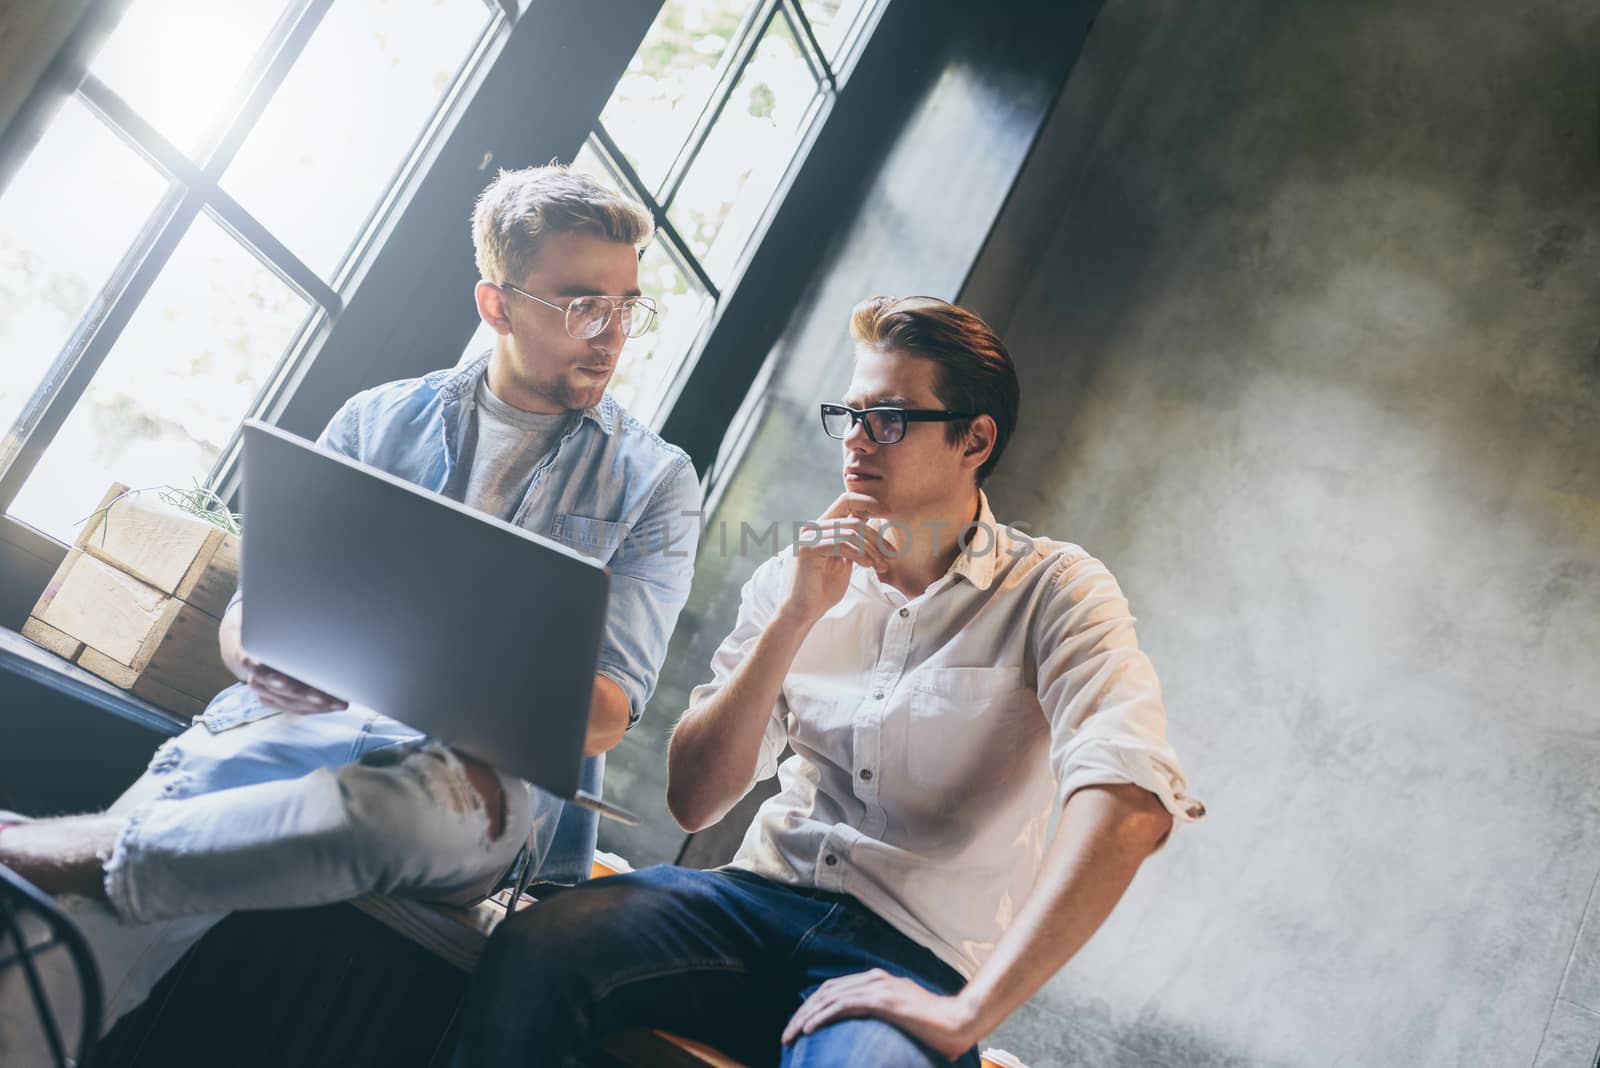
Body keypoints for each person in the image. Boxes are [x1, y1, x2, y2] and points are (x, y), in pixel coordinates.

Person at [0, 164, 700, 1049]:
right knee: (73, 942)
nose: (610, 335)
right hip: (290, 728)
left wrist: (429, 668)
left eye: (628, 306)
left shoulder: (657, 481)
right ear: (497, 305)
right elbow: (251, 618)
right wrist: (258, 652)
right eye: (578, 305)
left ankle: (47, 848)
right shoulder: (376, 420)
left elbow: (602, 715)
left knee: (376, 808)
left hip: (474, 777)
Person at [452, 296, 1205, 1067]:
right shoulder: (795, 573)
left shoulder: (1057, 590)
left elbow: (1130, 806)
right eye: (847, 415)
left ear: (974, 439)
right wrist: (797, 615)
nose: (854, 441)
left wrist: (971, 1013)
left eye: (887, 419)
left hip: (916, 955)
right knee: (540, 942)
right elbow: (695, 798)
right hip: (748, 903)